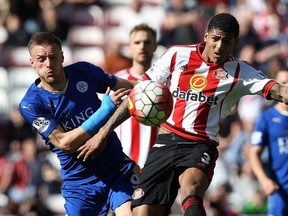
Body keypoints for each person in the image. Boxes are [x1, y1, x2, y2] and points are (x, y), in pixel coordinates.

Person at [77, 13, 288, 216]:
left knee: (191, 190)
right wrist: (104, 132)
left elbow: (279, 90)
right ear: (206, 36)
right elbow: (138, 96)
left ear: (235, 43)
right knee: (143, 212)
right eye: (215, 39)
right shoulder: (177, 54)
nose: (220, 46)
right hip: (166, 141)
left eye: (227, 41)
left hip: (200, 143)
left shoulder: (241, 71)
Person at [18, 31, 140, 216]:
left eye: (53, 57)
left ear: (62, 57)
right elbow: (65, 143)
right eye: (41, 59)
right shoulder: (31, 104)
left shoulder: (84, 72)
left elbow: (131, 87)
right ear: (32, 62)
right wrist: (105, 110)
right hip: (79, 184)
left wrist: (155, 87)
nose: (48, 64)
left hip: (116, 169)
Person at [114, 23, 158, 169]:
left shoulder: (165, 83)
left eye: (147, 42)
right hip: (122, 161)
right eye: (137, 42)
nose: (142, 46)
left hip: (155, 162)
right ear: (129, 47)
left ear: (155, 46)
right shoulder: (116, 81)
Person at [249, 70, 288, 216]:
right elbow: (253, 153)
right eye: (283, 83)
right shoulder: (267, 117)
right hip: (280, 188)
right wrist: (264, 180)